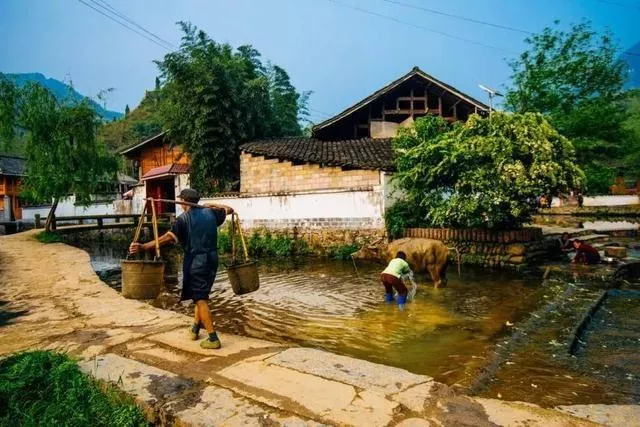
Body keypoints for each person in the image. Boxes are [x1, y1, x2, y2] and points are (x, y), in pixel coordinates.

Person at [129, 188, 234, 349]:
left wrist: (143, 246)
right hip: (212, 260)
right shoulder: (212, 213)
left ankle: (213, 338)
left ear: (184, 202)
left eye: (181, 200)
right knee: (201, 295)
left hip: (196, 262)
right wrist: (209, 204)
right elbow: (229, 209)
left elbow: (166, 238)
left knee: (200, 298)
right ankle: (195, 328)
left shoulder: (183, 220)